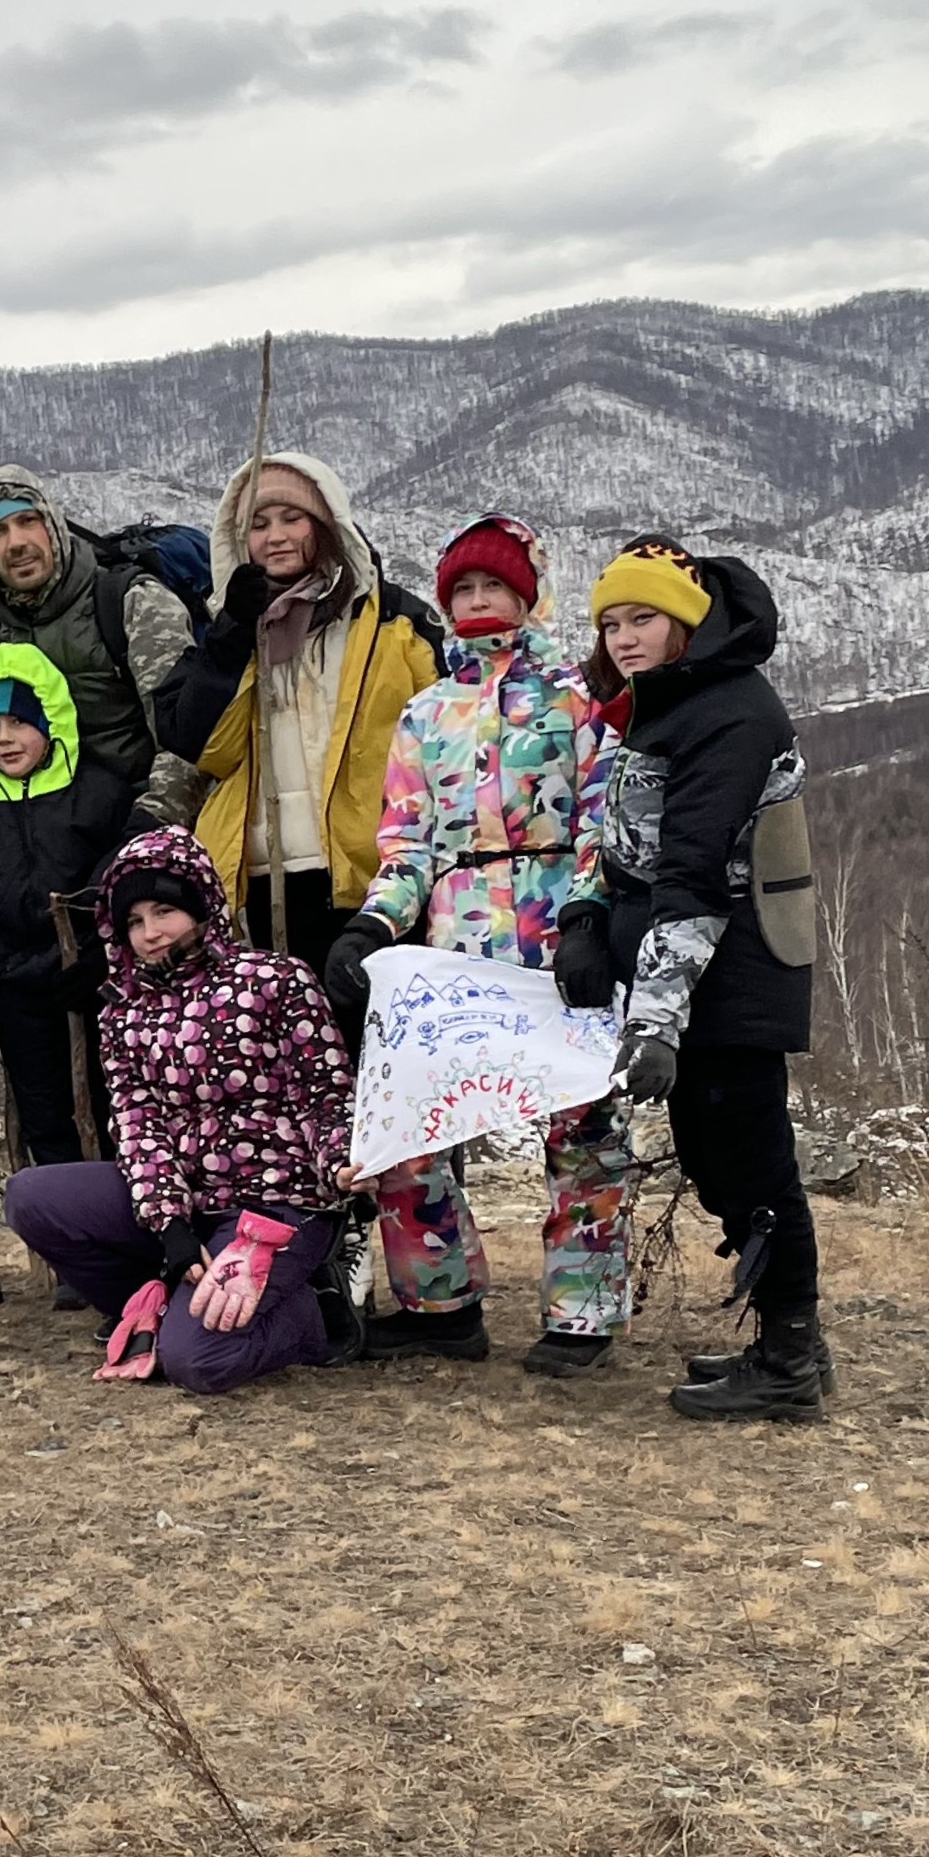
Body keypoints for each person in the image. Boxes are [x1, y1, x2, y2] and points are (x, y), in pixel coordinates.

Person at [324, 514, 629, 1376]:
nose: (477, 599)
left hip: (557, 935)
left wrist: (587, 918)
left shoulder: (577, 699)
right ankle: (439, 1303)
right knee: (403, 1119)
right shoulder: (426, 714)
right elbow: (405, 845)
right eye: (462, 587)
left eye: (493, 585)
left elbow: (602, 824)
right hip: (456, 944)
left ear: (526, 594)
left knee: (584, 1129)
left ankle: (583, 1311)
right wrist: (373, 924)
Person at [581, 537, 827, 1424]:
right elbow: (630, 847)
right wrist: (586, 914)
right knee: (726, 1167)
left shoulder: (729, 714)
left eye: (642, 618)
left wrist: (654, 1024)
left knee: (752, 1168)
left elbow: (692, 882)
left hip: (730, 979)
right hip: (690, 982)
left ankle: (790, 1358)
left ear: (687, 619)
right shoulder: (670, 704)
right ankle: (782, 1341)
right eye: (610, 622)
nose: (623, 638)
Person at [4, 829, 357, 1390]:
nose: (150, 934)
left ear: (202, 907)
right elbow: (137, 1125)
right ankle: (166, 1300)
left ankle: (314, 1314)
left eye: (164, 910)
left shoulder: (277, 981)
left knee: (199, 1363)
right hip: (187, 1202)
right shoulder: (122, 1014)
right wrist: (168, 1223)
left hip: (276, 1206)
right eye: (134, 922)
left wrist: (341, 1160)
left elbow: (325, 1092)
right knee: (32, 1197)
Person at [153, 451, 440, 987]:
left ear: (327, 525)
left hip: (369, 884)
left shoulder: (393, 625)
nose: (275, 536)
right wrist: (233, 632)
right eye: (258, 525)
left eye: (292, 518)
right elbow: (198, 742)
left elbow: (443, 743)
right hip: (260, 884)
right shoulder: (231, 631)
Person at [0, 642, 151, 1167]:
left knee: (122, 1120)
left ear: (51, 721)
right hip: (22, 996)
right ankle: (72, 1242)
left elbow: (130, 892)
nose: (4, 739)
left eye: (19, 723)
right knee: (48, 1126)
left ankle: (139, 1237)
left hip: (101, 989)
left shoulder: (99, 795)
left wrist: (105, 958)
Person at [0, 465, 198, 820]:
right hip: (51, 836)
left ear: (54, 526)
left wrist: (150, 827)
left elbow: (187, 738)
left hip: (138, 824)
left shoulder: (129, 602)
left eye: (28, 521)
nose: (16, 543)